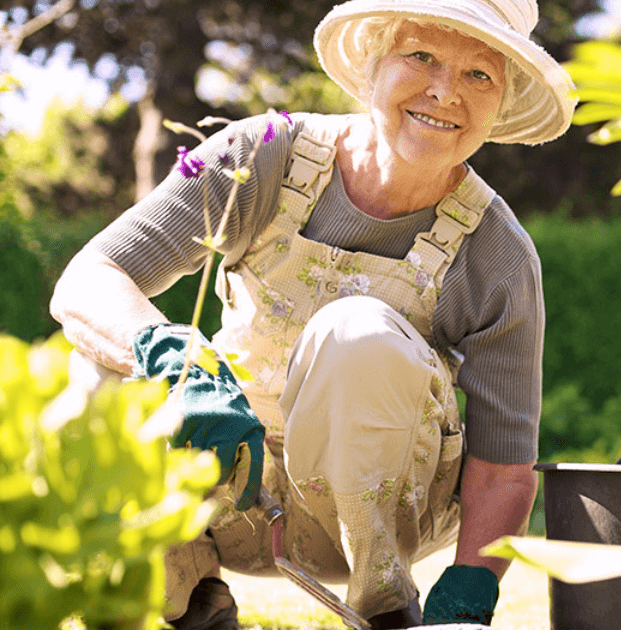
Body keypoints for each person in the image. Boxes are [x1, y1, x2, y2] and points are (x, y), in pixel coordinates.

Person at [49, 0, 576, 627]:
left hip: (380, 523)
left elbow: (504, 467)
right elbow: (90, 278)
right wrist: (171, 360)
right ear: (375, 62)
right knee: (92, 373)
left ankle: (387, 609)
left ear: (500, 103)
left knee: (356, 333)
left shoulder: (497, 253)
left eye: (478, 75)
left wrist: (468, 591)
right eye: (423, 56)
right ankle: (189, 601)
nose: (444, 92)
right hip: (225, 491)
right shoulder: (264, 156)